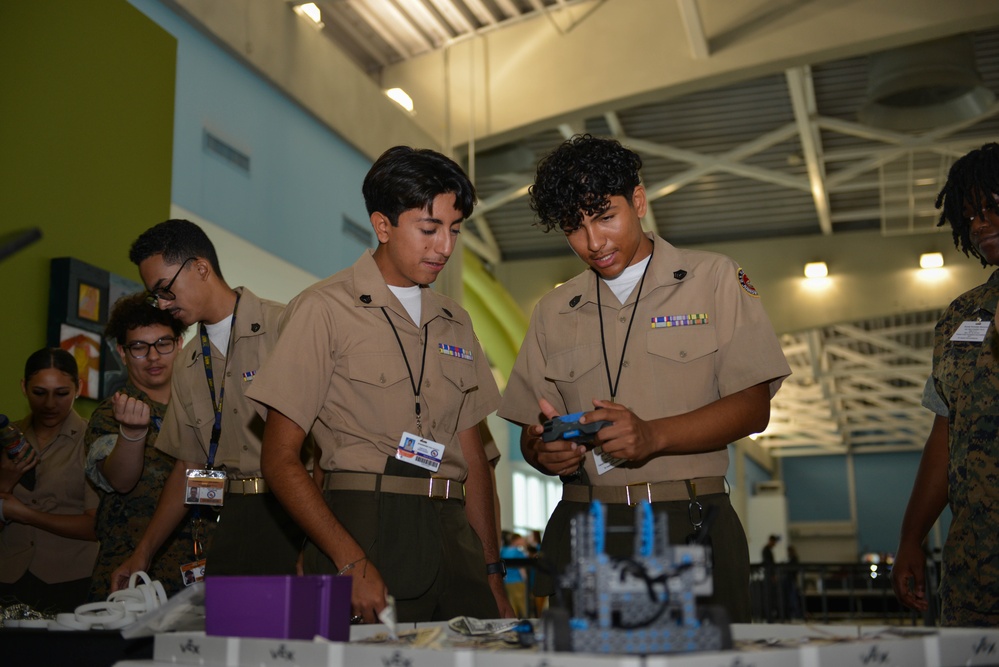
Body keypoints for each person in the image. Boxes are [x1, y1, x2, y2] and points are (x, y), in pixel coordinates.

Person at [497, 134, 790, 622]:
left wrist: (653, 436)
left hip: (686, 522)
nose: (593, 242)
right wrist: (542, 452)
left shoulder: (712, 279)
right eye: (574, 227)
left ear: (638, 201)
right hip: (584, 527)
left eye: (605, 217)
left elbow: (752, 406)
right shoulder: (553, 311)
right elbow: (531, 434)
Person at [248, 146, 512, 623]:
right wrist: (349, 561)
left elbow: (473, 458)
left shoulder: (456, 321)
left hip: (455, 536)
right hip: (364, 526)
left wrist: (492, 573)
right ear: (383, 225)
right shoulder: (323, 309)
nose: (445, 248)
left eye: (455, 230)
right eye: (429, 229)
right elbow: (280, 458)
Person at [109, 219, 302, 590]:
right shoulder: (186, 362)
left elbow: (326, 445)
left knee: (289, 645)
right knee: (225, 642)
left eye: (166, 290)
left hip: (292, 513)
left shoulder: (285, 327)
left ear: (201, 268)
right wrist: (143, 553)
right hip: (229, 522)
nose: (163, 304)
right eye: (155, 296)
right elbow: (188, 466)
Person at [892, 142, 999, 626]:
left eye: (992, 207)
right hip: (976, 574)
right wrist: (912, 537)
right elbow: (946, 433)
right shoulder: (961, 315)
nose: (981, 224)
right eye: (970, 214)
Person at [85, 293, 215, 600]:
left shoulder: (207, 408)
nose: (154, 357)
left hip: (204, 570)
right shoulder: (112, 412)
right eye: (140, 347)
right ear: (122, 352)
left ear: (180, 344)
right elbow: (120, 480)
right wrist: (131, 433)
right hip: (134, 576)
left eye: (163, 344)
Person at [0, 348, 98, 612]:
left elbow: (96, 526)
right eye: (39, 393)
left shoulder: (92, 440)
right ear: (23, 387)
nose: (50, 404)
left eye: (62, 393)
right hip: (8, 578)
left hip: (70, 581)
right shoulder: (7, 438)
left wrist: (25, 514)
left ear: (78, 388)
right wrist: (5, 484)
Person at [500, 532, 529, 618]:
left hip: (507, 582)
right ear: (515, 540)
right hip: (518, 581)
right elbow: (522, 569)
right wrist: (526, 579)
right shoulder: (518, 552)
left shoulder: (503, 550)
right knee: (523, 605)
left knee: (511, 604)